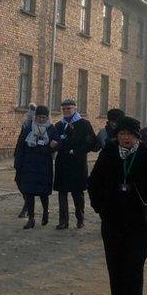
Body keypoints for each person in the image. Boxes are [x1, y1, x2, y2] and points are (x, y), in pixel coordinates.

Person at [88, 116, 147, 295]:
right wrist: (100, 207)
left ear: (137, 136)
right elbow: (93, 182)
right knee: (115, 267)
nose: (125, 138)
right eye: (122, 134)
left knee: (133, 269)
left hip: (139, 224)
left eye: (130, 134)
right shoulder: (109, 153)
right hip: (112, 222)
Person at [51, 98, 99, 229]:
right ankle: (63, 220)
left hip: (77, 163)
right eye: (64, 109)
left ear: (75, 109)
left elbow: (91, 143)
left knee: (77, 192)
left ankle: (80, 218)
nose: (66, 111)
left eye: (69, 109)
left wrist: (77, 151)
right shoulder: (58, 126)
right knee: (62, 192)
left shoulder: (84, 124)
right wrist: (54, 145)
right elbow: (53, 143)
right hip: (62, 163)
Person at [14, 105, 54, 228]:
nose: (41, 119)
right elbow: (20, 146)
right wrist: (18, 163)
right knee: (29, 193)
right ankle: (31, 218)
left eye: (44, 117)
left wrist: (54, 145)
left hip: (44, 166)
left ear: (47, 117)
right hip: (29, 165)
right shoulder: (28, 128)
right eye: (39, 117)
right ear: (35, 117)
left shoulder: (51, 129)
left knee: (43, 193)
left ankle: (45, 213)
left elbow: (58, 143)